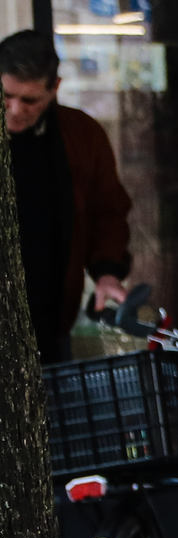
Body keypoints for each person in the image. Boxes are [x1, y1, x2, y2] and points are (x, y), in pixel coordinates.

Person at [0, 31, 131, 361]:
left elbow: (108, 211)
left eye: (30, 101)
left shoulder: (82, 136)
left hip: (45, 315)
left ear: (54, 89)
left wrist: (107, 272)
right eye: (6, 96)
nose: (15, 110)